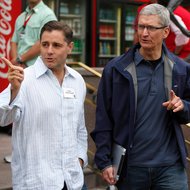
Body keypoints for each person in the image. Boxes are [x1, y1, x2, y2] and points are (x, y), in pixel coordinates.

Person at [91, 4, 190, 190]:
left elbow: (188, 109)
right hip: (130, 167)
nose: (144, 33)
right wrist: (104, 161)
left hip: (170, 168)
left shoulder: (180, 69)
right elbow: (103, 117)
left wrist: (182, 106)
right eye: (141, 26)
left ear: (166, 32)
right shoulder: (116, 69)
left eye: (151, 28)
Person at [0, 21, 88, 190]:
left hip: (73, 181)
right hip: (37, 182)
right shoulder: (24, 79)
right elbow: (3, 119)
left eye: (56, 45)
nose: (49, 51)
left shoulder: (78, 81)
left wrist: (80, 159)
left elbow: (80, 128)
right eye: (45, 44)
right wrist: (14, 90)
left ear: (70, 47)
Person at [3, 0, 57, 163]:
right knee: (16, 111)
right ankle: (17, 153)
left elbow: (43, 42)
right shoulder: (22, 16)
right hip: (19, 70)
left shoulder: (47, 14)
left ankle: (37, 153)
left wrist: (21, 58)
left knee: (34, 114)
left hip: (37, 71)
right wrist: (15, 61)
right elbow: (14, 41)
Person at [11, 0, 57, 67]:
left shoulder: (48, 15)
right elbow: (14, 42)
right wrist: (17, 63)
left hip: (38, 69)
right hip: (19, 67)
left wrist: (20, 59)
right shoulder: (21, 17)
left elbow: (45, 42)